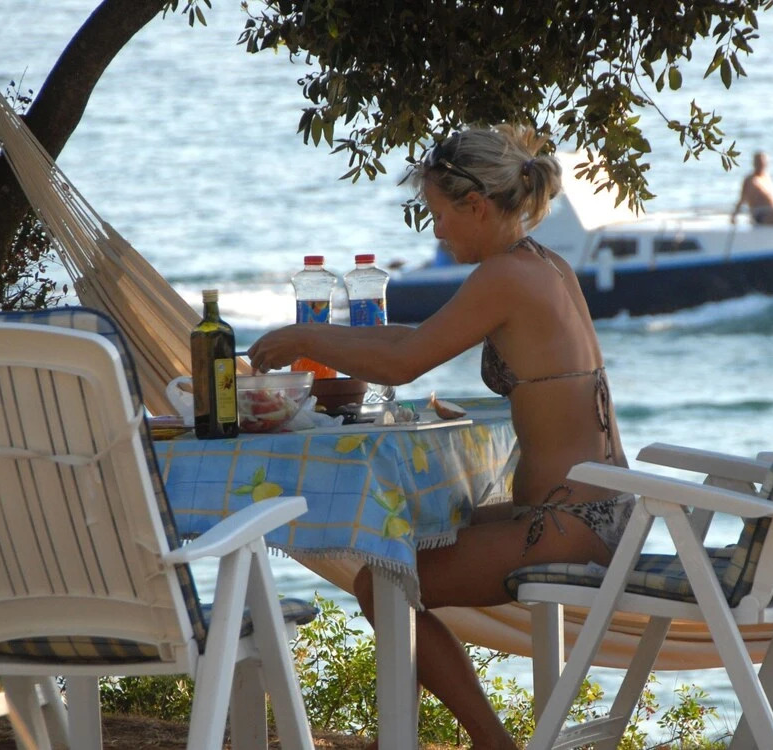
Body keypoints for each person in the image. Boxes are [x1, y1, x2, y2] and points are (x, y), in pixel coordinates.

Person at [248, 124, 633, 750]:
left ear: (475, 205)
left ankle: (492, 743)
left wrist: (308, 337)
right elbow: (413, 338)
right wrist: (323, 336)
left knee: (380, 585)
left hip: (572, 523)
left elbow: (403, 364)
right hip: (600, 510)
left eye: (439, 214)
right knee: (409, 541)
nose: (436, 232)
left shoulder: (505, 277)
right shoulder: (543, 263)